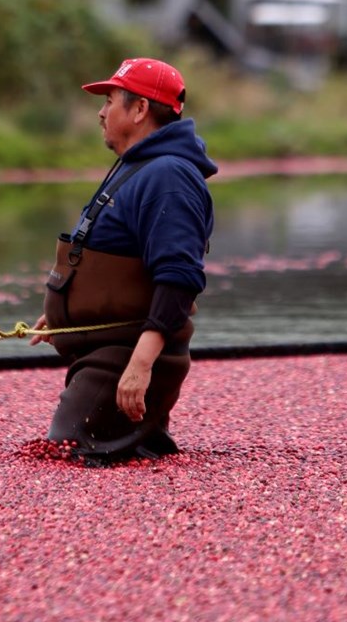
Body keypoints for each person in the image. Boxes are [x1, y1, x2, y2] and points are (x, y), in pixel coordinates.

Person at [31, 57, 217, 462]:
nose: (100, 113)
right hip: (103, 351)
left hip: (126, 355)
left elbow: (178, 279)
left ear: (139, 109)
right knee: (81, 452)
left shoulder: (169, 177)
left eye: (110, 100)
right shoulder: (139, 165)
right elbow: (117, 253)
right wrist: (68, 309)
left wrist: (140, 367)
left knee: (67, 453)